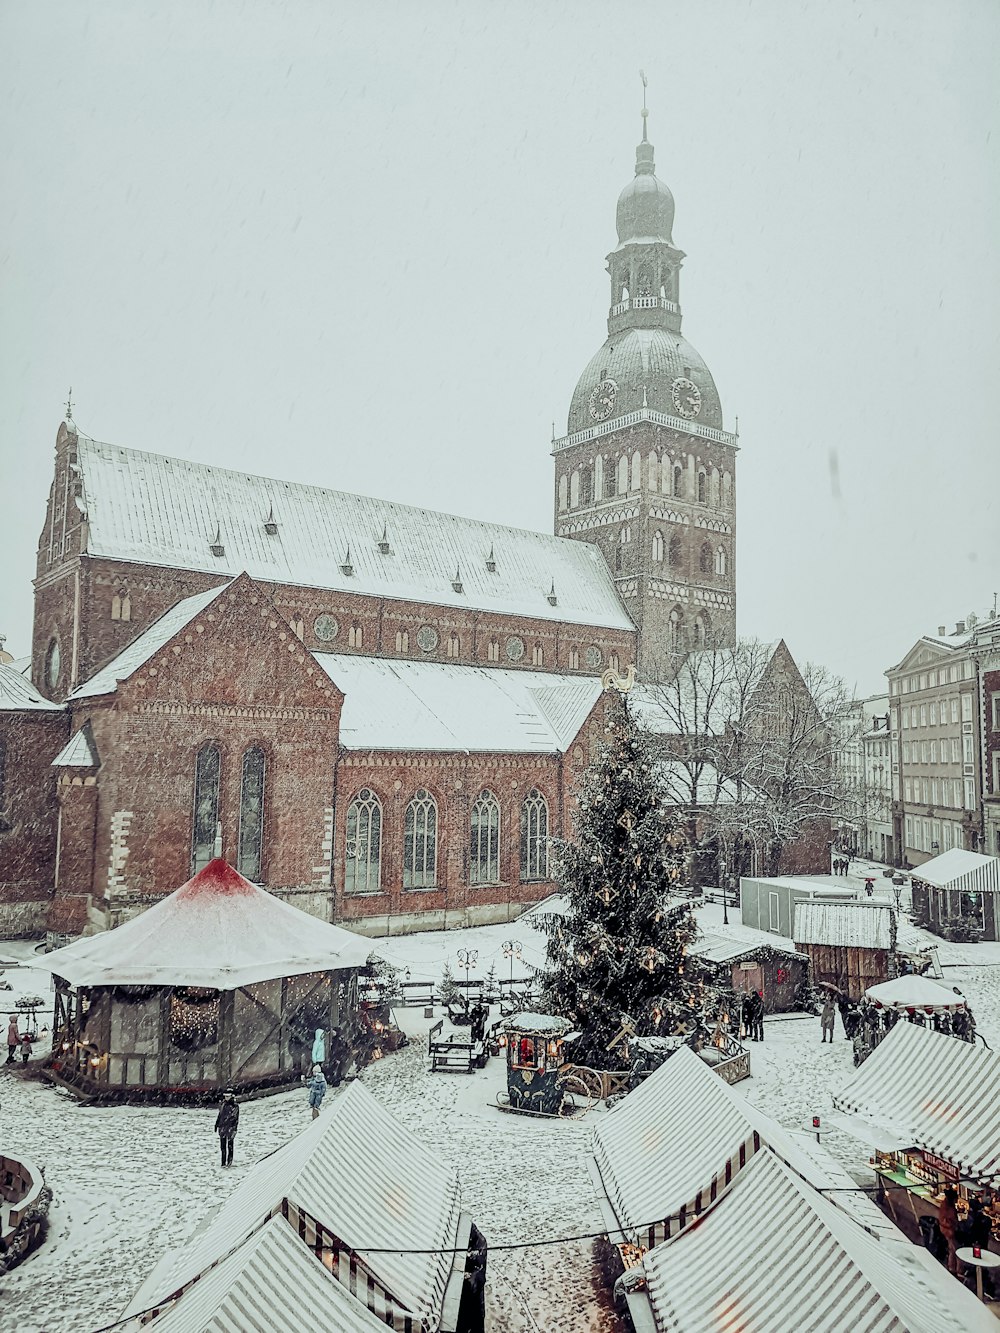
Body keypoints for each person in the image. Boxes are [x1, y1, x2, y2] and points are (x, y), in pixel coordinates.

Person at [937, 1185, 959, 1275]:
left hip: (945, 1229)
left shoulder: (945, 1204)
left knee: (952, 1249)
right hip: (948, 1231)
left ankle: (952, 1266)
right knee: (954, 1249)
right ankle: (954, 1268)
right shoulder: (948, 1208)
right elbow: (949, 1221)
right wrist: (955, 1225)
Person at [214, 1088, 239, 1166]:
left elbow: (234, 1118)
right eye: (225, 1096)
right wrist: (217, 1124)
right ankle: (223, 1162)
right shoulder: (222, 1104)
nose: (226, 1098)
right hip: (222, 1127)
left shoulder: (234, 1106)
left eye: (228, 1096)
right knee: (223, 1146)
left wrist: (233, 1128)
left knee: (230, 1145)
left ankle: (229, 1161)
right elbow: (220, 1115)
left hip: (230, 1128)